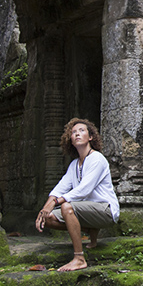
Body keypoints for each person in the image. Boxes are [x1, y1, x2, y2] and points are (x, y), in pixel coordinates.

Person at [35, 117, 120, 272]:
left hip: (106, 210)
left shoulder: (97, 159)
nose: (77, 134)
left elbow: (84, 190)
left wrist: (56, 202)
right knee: (46, 218)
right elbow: (60, 188)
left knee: (67, 207)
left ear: (91, 137)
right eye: (74, 132)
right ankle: (90, 230)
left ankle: (79, 258)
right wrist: (46, 207)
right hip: (86, 211)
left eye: (82, 131)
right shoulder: (74, 165)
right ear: (71, 141)